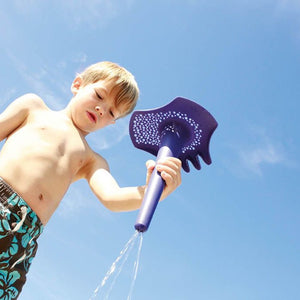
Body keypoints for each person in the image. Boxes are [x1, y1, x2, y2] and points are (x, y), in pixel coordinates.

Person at [0, 61, 182, 299]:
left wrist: (154, 191)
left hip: (25, 236)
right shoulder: (34, 108)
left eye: (111, 112)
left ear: (112, 123)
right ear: (78, 85)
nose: (101, 110)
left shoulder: (91, 160)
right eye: (99, 96)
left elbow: (112, 198)